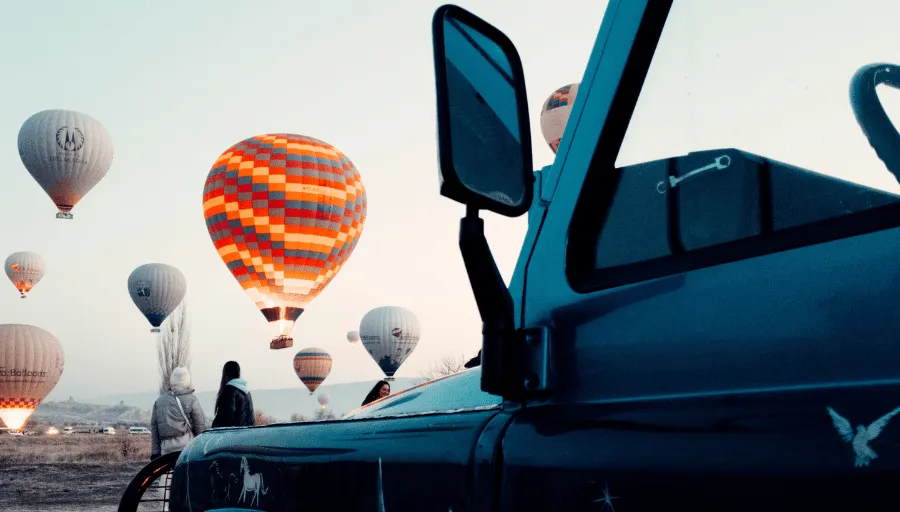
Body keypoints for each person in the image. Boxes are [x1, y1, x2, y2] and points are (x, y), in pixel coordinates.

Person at [150, 367, 206, 460]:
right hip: (187, 446)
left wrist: (155, 453)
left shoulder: (159, 401)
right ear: (187, 380)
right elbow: (200, 425)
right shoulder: (192, 399)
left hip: (166, 448)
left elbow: (155, 429)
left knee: (168, 474)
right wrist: (201, 447)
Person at [211, 360, 255, 428]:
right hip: (246, 435)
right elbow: (251, 419)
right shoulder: (247, 392)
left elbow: (225, 419)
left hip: (232, 436)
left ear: (225, 374)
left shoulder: (229, 390)